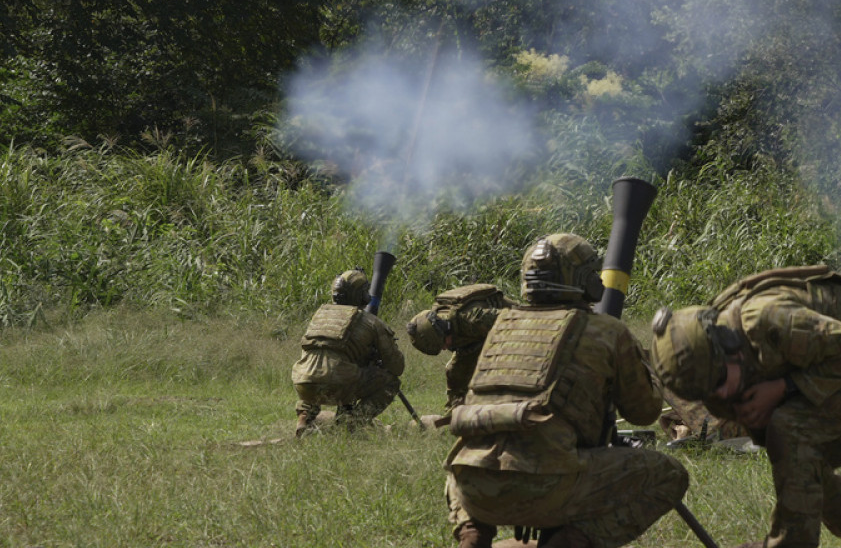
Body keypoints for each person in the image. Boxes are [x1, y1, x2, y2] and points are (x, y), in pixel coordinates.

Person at [443, 233, 689, 548]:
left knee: (465, 458)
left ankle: (471, 535)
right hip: (549, 487)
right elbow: (644, 413)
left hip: (471, 488)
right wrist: (650, 372)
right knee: (669, 473)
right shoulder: (606, 331)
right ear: (588, 280)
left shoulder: (501, 324)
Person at [649, 265, 841, 548]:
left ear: (728, 344)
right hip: (824, 359)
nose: (721, 394)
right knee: (801, 460)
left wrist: (783, 387)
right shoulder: (711, 366)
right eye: (707, 393)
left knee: (790, 430)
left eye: (722, 380)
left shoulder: (769, 319)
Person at [290, 268, 406, 437]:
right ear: (363, 296)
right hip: (339, 384)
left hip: (303, 383)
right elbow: (397, 366)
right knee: (390, 382)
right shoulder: (371, 322)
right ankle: (352, 423)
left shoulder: (320, 315)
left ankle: (304, 418)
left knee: (318, 373)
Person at [406, 283, 507, 422]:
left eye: (443, 344)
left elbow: (516, 319)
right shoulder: (440, 323)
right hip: (476, 338)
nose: (444, 349)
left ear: (442, 330)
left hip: (509, 332)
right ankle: (454, 416)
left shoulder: (474, 318)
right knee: (454, 372)